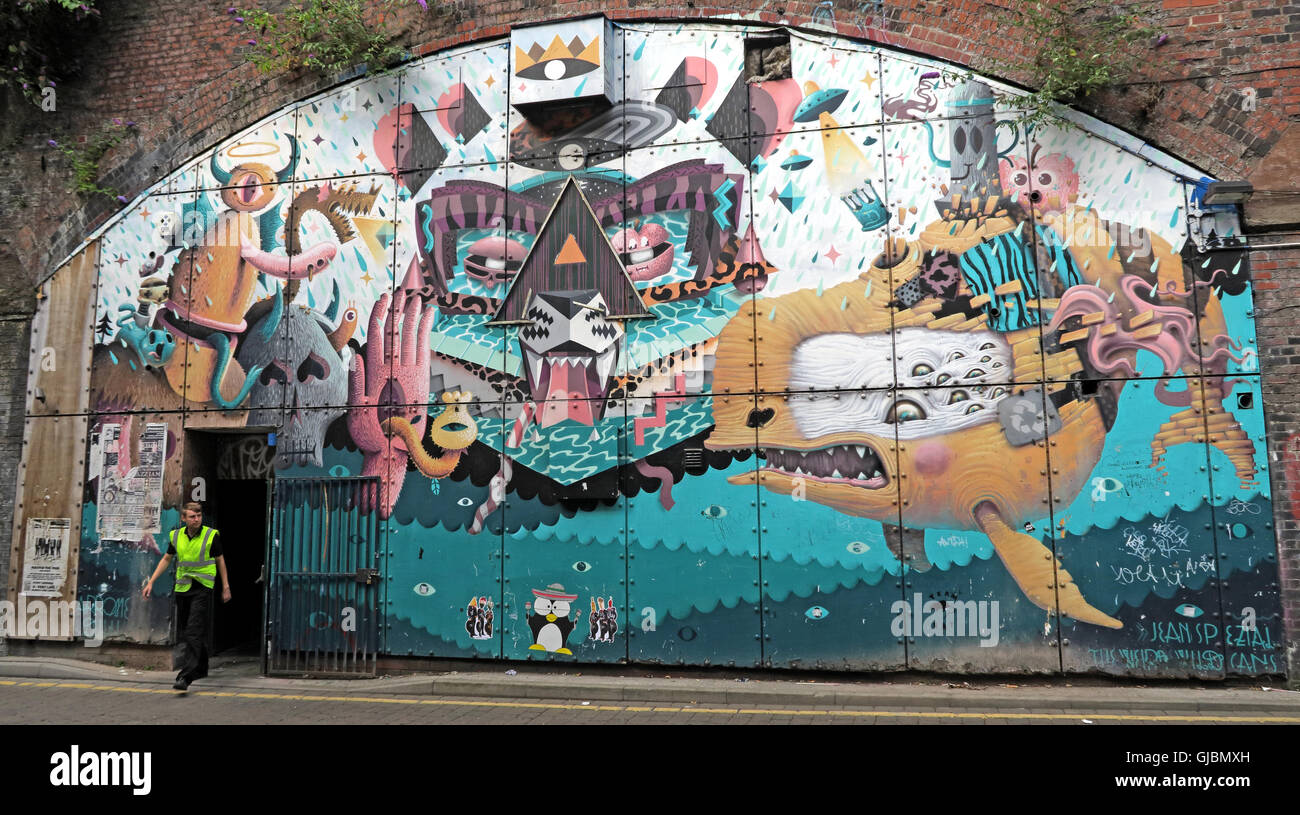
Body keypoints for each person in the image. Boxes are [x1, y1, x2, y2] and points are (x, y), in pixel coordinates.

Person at [143, 501, 231, 691]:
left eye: (199, 516)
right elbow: (167, 559)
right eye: (192, 516)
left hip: (203, 588)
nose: (196, 519)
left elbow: (220, 560)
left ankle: (185, 677)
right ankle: (202, 667)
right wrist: (151, 581)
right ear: (184, 518)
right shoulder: (176, 536)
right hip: (183, 589)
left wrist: (226, 586)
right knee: (190, 632)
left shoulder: (210, 536)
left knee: (193, 630)